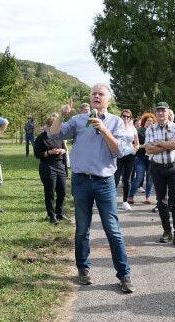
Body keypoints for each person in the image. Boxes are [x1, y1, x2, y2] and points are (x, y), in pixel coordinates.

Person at [49, 84, 134, 293]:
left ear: (108, 99)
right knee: (82, 230)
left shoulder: (116, 122)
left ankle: (123, 274)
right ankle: (83, 269)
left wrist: (103, 129)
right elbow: (53, 136)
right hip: (81, 181)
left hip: (104, 182)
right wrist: (61, 115)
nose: (96, 96)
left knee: (113, 231)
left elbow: (119, 151)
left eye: (101, 93)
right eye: (94, 93)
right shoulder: (78, 120)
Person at [145, 102, 175, 249]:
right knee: (161, 201)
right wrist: (168, 144)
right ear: (156, 114)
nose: (161, 113)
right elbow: (149, 149)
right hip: (157, 168)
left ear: (168, 112)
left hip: (173, 167)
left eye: (163, 111)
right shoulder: (150, 128)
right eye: (158, 111)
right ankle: (167, 231)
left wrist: (160, 143)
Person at [35, 114, 68, 224]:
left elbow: (64, 149)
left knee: (62, 191)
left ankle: (60, 213)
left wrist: (62, 151)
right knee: (50, 191)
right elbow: (37, 154)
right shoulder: (41, 138)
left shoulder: (59, 136)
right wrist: (49, 152)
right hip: (47, 166)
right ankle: (51, 215)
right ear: (49, 125)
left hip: (60, 165)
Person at [128, 112, 156, 204]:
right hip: (140, 157)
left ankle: (148, 198)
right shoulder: (139, 131)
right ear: (144, 122)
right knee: (139, 177)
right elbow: (134, 145)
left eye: (152, 121)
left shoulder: (155, 132)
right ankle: (131, 196)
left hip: (151, 158)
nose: (150, 123)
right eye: (148, 121)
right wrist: (146, 146)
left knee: (150, 178)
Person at [114, 109, 138, 211]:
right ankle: (111, 200)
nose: (126, 118)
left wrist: (135, 150)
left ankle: (125, 201)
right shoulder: (116, 127)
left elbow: (137, 142)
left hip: (129, 155)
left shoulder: (133, 128)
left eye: (128, 117)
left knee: (126, 179)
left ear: (130, 118)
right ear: (121, 116)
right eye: (124, 116)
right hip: (118, 155)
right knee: (115, 177)